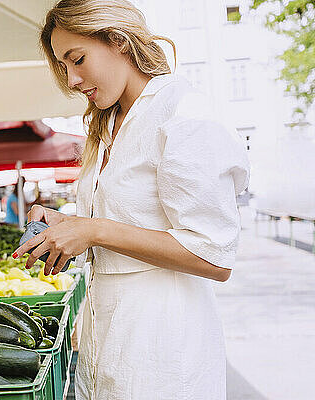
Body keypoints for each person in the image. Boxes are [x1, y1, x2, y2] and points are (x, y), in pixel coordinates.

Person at [13, 1, 250, 399]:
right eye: (63, 67)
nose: (71, 80)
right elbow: (124, 222)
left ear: (119, 41)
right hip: (108, 346)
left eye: (78, 60)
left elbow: (214, 257)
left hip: (164, 355)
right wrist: (69, 226)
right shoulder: (108, 124)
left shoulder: (183, 116)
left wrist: (94, 229)